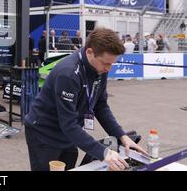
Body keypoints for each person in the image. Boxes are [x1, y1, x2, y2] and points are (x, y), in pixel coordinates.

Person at [24, 28, 148, 171]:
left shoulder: (100, 68)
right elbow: (68, 124)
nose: (109, 69)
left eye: (111, 64)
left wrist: (122, 136)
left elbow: (101, 106)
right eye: (106, 63)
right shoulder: (69, 74)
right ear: (89, 52)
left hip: (68, 135)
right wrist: (104, 152)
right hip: (44, 133)